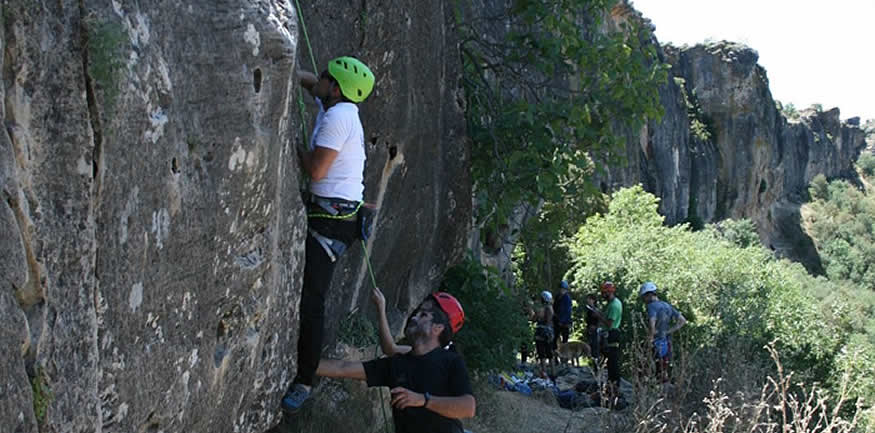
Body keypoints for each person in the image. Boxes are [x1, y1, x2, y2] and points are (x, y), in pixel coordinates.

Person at [282, 56, 375, 413]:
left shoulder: (337, 118)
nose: (318, 77)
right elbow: (310, 82)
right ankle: (305, 375)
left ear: (336, 88)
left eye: (325, 76)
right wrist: (290, 73)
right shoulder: (338, 105)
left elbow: (317, 171)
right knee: (309, 296)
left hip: (332, 221)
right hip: (337, 214)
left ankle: (305, 380)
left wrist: (296, 149)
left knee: (312, 301)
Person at [316, 287, 476, 433]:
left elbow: (468, 408)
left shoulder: (450, 361)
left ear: (438, 327)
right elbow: (342, 368)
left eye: (424, 314)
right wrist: (300, 364)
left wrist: (422, 400)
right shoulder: (397, 364)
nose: (414, 316)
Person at [639, 282, 686, 383]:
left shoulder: (651, 306)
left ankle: (648, 391)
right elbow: (682, 320)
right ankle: (664, 392)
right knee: (663, 370)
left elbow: (652, 323)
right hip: (666, 342)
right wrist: (669, 331)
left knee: (645, 368)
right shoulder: (667, 305)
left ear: (649, 295)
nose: (644, 301)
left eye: (644, 297)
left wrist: (650, 340)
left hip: (655, 342)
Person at [589, 281, 623, 405]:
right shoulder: (612, 304)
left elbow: (609, 323)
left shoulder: (614, 305)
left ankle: (614, 392)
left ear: (608, 292)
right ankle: (609, 390)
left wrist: (598, 316)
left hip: (612, 335)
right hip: (609, 334)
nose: (602, 295)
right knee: (609, 365)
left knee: (612, 364)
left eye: (603, 293)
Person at [532, 291, 554, 377]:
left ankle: (544, 372)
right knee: (550, 353)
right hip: (550, 332)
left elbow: (534, 318)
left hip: (541, 332)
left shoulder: (541, 309)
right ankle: (553, 373)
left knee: (542, 353)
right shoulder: (551, 308)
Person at [583, 293, 601, 368]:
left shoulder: (595, 309)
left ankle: (596, 366)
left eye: (589, 299)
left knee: (595, 348)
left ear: (593, 300)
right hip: (589, 329)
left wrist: (595, 327)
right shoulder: (589, 309)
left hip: (594, 330)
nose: (588, 300)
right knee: (589, 347)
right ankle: (592, 365)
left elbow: (599, 320)